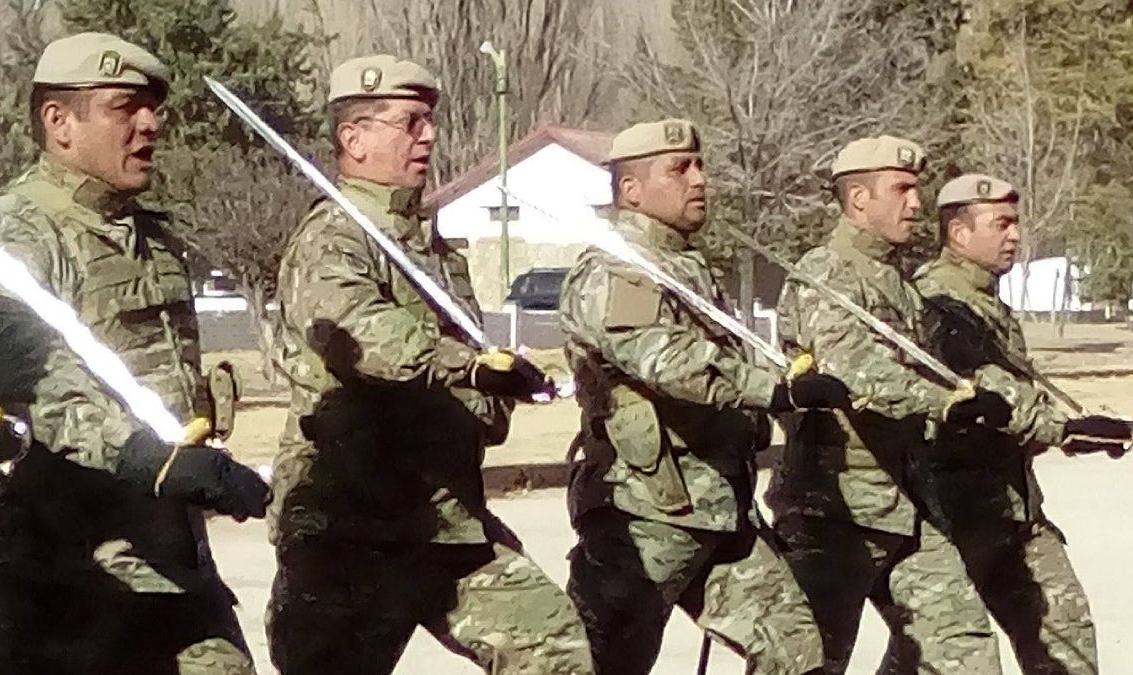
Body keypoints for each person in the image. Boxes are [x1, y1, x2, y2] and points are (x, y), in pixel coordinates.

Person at [0, 32, 269, 674]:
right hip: (53, 572)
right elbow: (33, 377)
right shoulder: (14, 233)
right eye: (125, 108)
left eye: (154, 109)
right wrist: (151, 457)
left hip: (167, 564)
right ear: (59, 122)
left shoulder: (153, 238)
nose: (149, 125)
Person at [265, 54, 593, 675]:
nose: (430, 136)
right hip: (351, 524)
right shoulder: (332, 238)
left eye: (430, 121)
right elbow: (363, 334)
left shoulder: (434, 249)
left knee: (558, 652)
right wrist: (467, 370)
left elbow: (480, 377)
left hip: (445, 519)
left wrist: (496, 386)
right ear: (353, 138)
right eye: (410, 122)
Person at [560, 118, 849, 675]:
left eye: (700, 165)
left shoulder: (686, 266)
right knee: (602, 664)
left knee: (798, 654)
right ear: (631, 190)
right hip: (646, 511)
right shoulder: (616, 268)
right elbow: (664, 358)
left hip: (721, 510)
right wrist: (774, 389)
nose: (699, 179)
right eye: (679, 169)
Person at [767, 135, 1009, 673]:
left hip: (907, 503)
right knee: (812, 661)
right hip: (833, 509)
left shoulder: (896, 282)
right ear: (857, 200)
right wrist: (946, 403)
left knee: (963, 651)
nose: (916, 205)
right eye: (901, 190)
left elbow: (941, 365)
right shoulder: (825, 273)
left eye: (916, 190)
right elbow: (859, 371)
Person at [916, 173, 1132, 674]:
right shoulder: (936, 303)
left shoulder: (988, 301)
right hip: (955, 516)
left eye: (1016, 223)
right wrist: (1062, 428)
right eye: (1002, 224)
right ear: (959, 233)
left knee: (1066, 638)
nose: (1015, 235)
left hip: (1015, 514)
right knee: (930, 656)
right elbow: (983, 386)